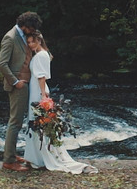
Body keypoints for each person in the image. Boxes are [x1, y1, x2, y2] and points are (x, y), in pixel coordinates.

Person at [23, 31, 98, 174]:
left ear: (39, 40)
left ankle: (42, 158)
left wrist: (43, 96)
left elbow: (41, 77)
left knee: (39, 122)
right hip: (37, 89)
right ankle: (38, 158)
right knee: (37, 123)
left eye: (32, 41)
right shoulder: (43, 54)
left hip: (38, 91)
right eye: (28, 42)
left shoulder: (40, 55)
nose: (30, 44)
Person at [0, 11, 42, 172]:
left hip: (28, 83)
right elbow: (1, 64)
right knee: (15, 122)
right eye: (31, 29)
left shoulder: (24, 34)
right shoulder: (10, 37)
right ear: (25, 26)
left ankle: (12, 154)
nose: (32, 31)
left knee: (20, 121)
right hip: (18, 85)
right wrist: (15, 83)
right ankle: (8, 161)